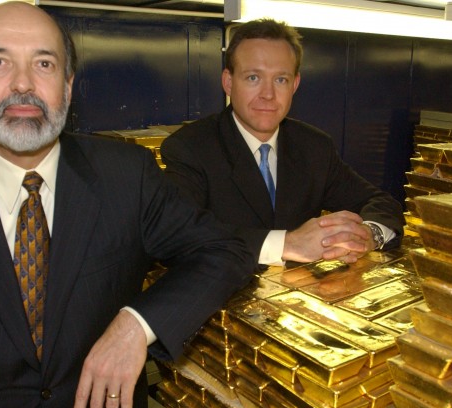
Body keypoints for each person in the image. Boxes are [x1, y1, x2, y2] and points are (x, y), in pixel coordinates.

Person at [0, 2, 254, 408]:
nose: (23, 84)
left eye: (44, 64)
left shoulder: (127, 176)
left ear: (68, 86)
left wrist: (136, 325)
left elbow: (225, 250)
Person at [161, 19, 405, 267]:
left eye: (280, 80)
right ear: (228, 82)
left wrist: (368, 235)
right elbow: (179, 233)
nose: (268, 94)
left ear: (295, 85)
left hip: (298, 289)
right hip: (222, 287)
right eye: (253, 77)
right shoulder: (190, 148)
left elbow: (381, 203)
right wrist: (287, 244)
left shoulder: (314, 147)